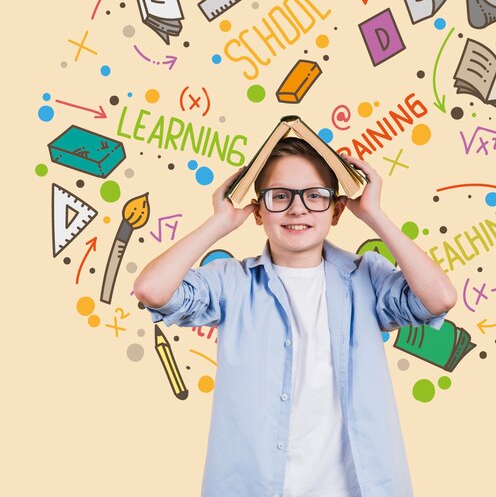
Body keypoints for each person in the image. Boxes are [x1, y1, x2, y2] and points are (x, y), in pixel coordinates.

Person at [134, 137, 457, 497]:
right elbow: (151, 290)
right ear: (259, 211)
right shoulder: (232, 282)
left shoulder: (366, 277)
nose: (297, 209)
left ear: (336, 210)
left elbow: (439, 298)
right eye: (280, 196)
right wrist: (220, 222)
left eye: (315, 195)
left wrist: (375, 216)